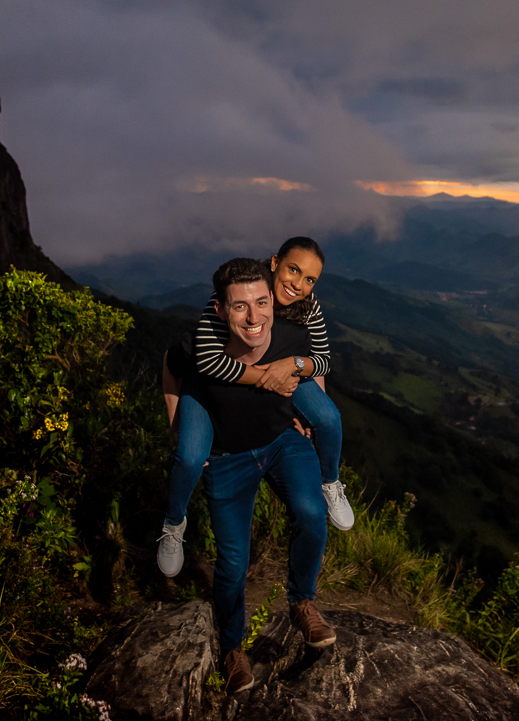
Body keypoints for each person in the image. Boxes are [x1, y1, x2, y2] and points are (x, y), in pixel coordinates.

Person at [162, 257, 337, 694]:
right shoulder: (205, 350)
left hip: (281, 442)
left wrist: (306, 413)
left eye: (262, 302)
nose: (255, 316)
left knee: (312, 514)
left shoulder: (293, 337)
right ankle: (232, 647)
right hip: (227, 457)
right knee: (233, 563)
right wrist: (175, 425)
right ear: (221, 310)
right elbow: (171, 363)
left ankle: (302, 603)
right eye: (241, 307)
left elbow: (317, 368)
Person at [158, 237, 353, 578]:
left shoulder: (308, 306)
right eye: (294, 270)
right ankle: (174, 523)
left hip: (286, 369)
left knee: (328, 416)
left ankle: (330, 483)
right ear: (275, 262)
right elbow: (206, 362)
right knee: (189, 456)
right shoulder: (236, 293)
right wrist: (268, 378)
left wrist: (300, 397)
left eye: (310, 279)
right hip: (219, 383)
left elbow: (320, 361)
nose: (299, 284)